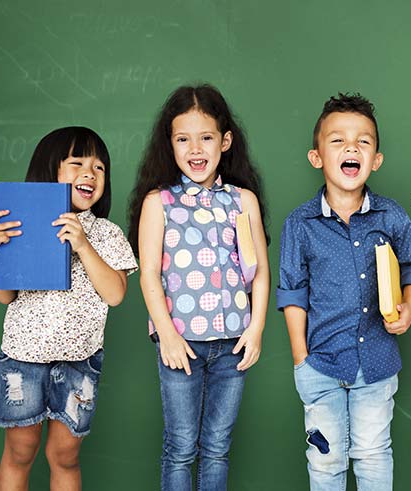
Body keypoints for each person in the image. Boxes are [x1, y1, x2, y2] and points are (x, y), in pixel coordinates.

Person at [276, 93, 411, 490]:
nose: (351, 148)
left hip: (377, 364)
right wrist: (300, 359)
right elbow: (292, 292)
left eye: (363, 141)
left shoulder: (390, 215)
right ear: (317, 158)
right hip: (320, 365)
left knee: (373, 453)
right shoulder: (300, 224)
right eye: (338, 140)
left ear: (376, 159)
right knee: (325, 461)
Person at [0, 126, 138, 490]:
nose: (90, 173)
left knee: (65, 455)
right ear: (50, 170)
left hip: (79, 360)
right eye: (77, 163)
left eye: (99, 167)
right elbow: (5, 295)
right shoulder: (23, 226)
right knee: (20, 451)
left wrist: (83, 245)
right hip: (23, 357)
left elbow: (115, 294)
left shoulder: (107, 233)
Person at [127, 84, 270, 491]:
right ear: (169, 144)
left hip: (233, 344)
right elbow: (148, 274)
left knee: (217, 447)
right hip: (181, 345)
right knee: (180, 446)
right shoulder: (159, 202)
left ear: (225, 141)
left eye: (206, 137)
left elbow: (260, 270)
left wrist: (256, 328)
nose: (195, 149)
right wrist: (167, 335)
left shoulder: (243, 200)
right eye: (183, 139)